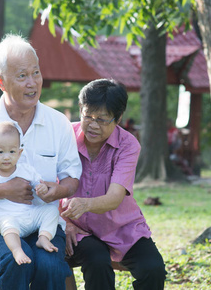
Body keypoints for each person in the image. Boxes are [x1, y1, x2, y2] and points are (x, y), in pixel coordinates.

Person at [0, 34, 82, 290]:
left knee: (52, 265)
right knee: (17, 260)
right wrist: (2, 190)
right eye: (22, 76)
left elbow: (72, 179)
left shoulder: (58, 123)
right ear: (1, 81)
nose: (33, 83)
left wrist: (59, 190)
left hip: (42, 222)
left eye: (36, 73)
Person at [61, 79, 167, 290]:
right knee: (97, 260)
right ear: (80, 109)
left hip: (121, 226)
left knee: (153, 268)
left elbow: (114, 198)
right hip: (78, 228)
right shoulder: (65, 136)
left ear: (118, 119)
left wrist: (85, 204)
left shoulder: (128, 145)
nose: (93, 125)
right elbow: (48, 184)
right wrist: (65, 223)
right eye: (88, 116)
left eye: (102, 119)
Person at [0, 121, 59, 265]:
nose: (7, 157)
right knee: (8, 225)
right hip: (4, 218)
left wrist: (42, 189)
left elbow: (39, 184)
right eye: (0, 152)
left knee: (51, 210)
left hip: (29, 216)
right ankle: (16, 250)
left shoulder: (26, 170)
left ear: (19, 153)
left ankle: (44, 237)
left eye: (12, 151)